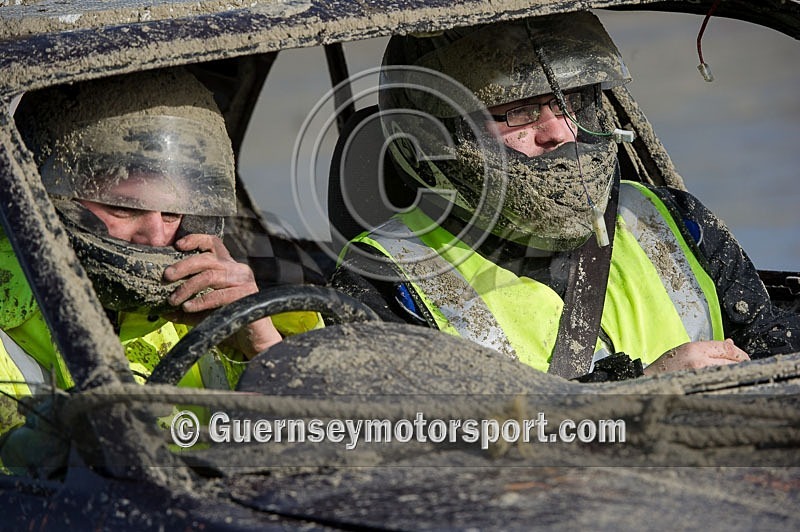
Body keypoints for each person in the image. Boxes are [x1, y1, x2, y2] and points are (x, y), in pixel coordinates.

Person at [331, 12, 800, 380]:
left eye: (574, 100)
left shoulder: (673, 219)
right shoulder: (387, 281)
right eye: (517, 112)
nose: (562, 131)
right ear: (436, 136)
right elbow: (431, 444)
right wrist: (639, 395)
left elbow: (774, 351)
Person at [0, 68, 318, 456]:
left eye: (172, 214)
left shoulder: (215, 310)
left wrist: (262, 345)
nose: (155, 238)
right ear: (44, 197)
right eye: (123, 207)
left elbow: (332, 451)